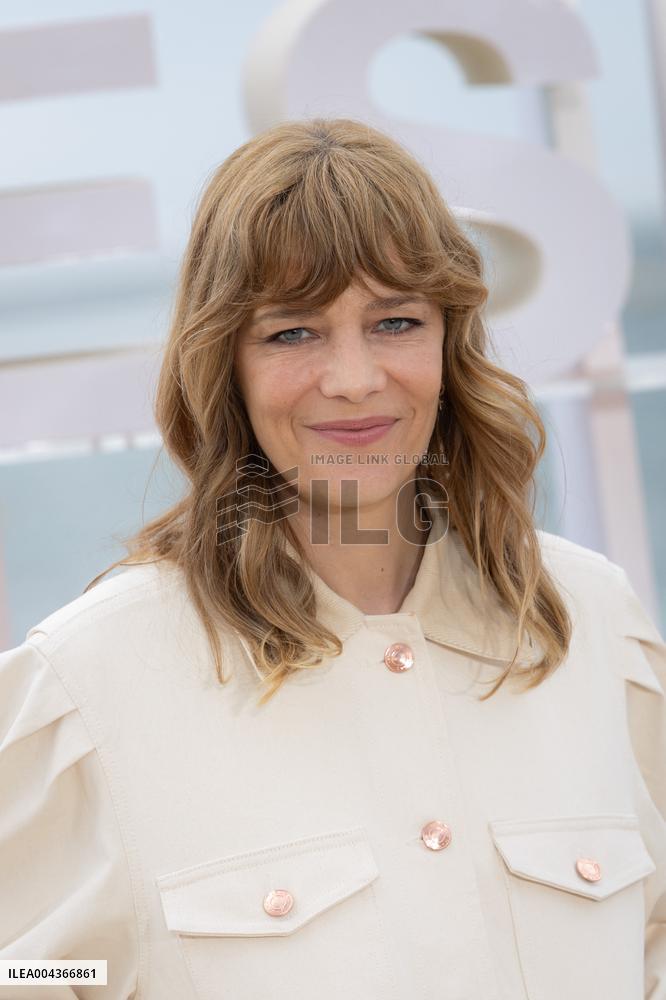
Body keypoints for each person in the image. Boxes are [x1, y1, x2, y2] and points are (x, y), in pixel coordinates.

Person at [0, 117, 665, 1000]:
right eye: (292, 333)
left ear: (449, 345)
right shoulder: (90, 683)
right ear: (222, 363)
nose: (352, 379)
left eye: (395, 321)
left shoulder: (593, 622)